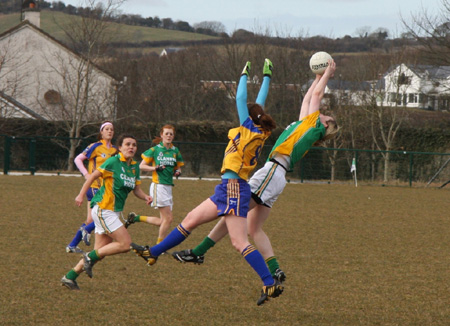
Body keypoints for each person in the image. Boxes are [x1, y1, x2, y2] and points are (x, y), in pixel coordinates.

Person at [171, 59, 339, 285]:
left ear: (326, 126)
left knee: (234, 212)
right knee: (252, 226)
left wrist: (327, 73)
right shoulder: (305, 125)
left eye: (326, 118)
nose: (322, 114)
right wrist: (317, 78)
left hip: (271, 173)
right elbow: (308, 98)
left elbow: (317, 97)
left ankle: (199, 251)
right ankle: (276, 270)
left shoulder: (314, 127)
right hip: (276, 176)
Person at [130, 59, 283, 306]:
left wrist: (243, 75)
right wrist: (267, 76)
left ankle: (269, 283)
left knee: (239, 242)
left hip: (234, 188)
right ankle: (153, 252)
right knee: (190, 219)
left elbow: (240, 99)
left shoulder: (247, 129)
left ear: (250, 118)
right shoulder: (259, 129)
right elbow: (258, 104)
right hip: (228, 188)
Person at [61, 134, 152, 290]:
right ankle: (88, 257)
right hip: (104, 209)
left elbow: (136, 189)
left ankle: (70, 277)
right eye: (128, 144)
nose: (131, 147)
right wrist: (81, 195)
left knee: (100, 253)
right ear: (120, 147)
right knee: (125, 244)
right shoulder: (113, 162)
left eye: (134, 145)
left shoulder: (134, 166)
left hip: (113, 212)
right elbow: (91, 178)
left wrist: (146, 197)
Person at [125, 125, 184, 245]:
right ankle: (159, 246)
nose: (169, 136)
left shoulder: (175, 150)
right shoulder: (155, 150)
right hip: (159, 186)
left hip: (168, 187)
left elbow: (178, 166)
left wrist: (178, 171)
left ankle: (136, 218)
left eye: (171, 134)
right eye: (166, 133)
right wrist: (155, 168)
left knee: (162, 221)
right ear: (162, 135)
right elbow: (141, 166)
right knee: (168, 219)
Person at [66, 121, 117, 253]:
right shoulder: (95, 146)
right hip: (95, 186)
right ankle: (86, 230)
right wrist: (86, 174)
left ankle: (72, 245)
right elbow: (78, 159)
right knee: (103, 215)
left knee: (90, 219)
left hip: (107, 188)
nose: (110, 131)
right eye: (107, 129)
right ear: (101, 132)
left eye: (111, 129)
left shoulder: (115, 150)